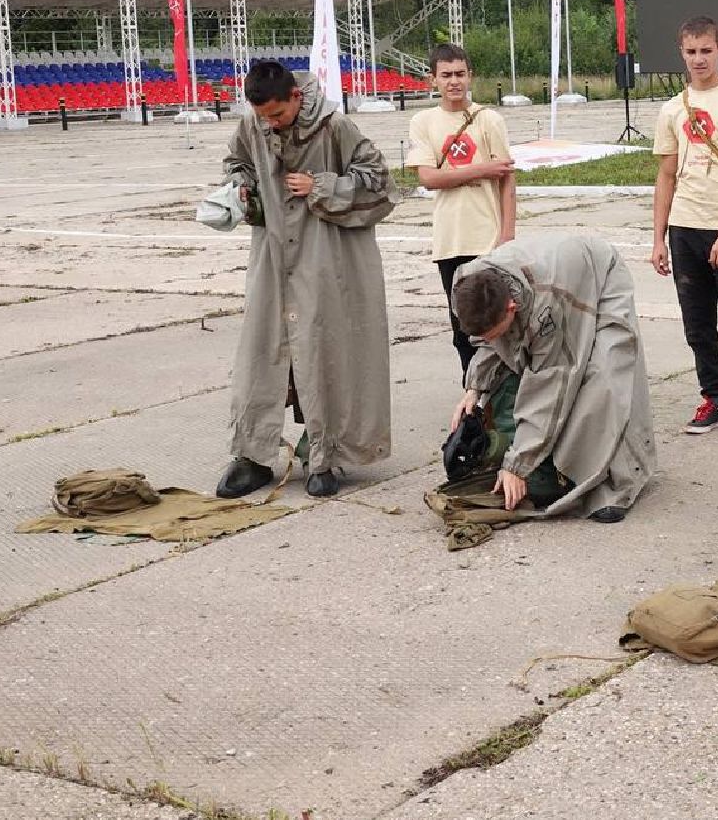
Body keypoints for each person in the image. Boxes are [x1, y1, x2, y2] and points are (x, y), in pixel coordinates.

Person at [215, 60, 398, 499]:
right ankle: (253, 454)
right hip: (274, 255)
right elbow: (235, 161)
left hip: (328, 257)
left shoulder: (337, 127)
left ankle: (325, 454)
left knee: (326, 349)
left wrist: (321, 186)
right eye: (263, 118)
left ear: (296, 97)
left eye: (277, 115)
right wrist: (243, 188)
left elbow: (380, 182)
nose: (270, 124)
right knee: (265, 351)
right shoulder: (252, 126)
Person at [448, 235, 657, 523]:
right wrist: (474, 387)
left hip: (598, 277)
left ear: (511, 307)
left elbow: (550, 387)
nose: (489, 339)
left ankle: (617, 483)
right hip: (554, 275)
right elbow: (489, 342)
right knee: (517, 367)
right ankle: (560, 467)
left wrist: (517, 465)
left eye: (494, 332)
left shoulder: (545, 307)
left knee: (604, 378)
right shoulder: (467, 286)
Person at [650, 16, 718, 435]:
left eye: (706, 51)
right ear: (682, 52)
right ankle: (713, 398)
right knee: (697, 324)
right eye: (691, 51)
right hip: (684, 228)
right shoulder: (672, 108)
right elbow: (666, 175)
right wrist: (658, 239)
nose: (699, 59)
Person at [405, 43, 517, 378]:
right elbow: (428, 178)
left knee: (498, 322)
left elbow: (507, 179)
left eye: (460, 74)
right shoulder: (423, 121)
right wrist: (482, 170)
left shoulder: (489, 120)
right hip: (450, 241)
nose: (454, 81)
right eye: (446, 75)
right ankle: (473, 397)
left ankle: (505, 395)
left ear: (470, 76)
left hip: (487, 239)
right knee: (463, 329)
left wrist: (507, 234)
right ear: (432, 79)